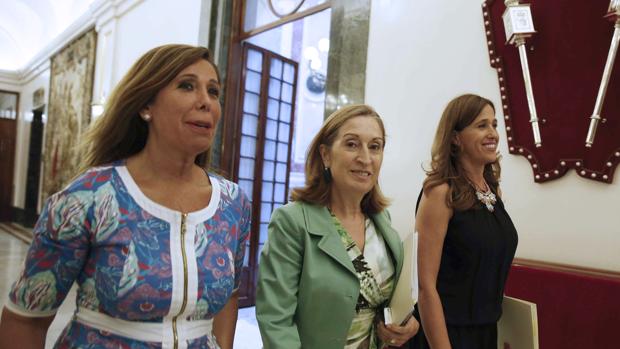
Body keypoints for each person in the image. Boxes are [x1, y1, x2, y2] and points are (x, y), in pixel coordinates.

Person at [0, 44, 251, 349]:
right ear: (146, 106)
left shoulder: (232, 204)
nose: (206, 102)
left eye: (214, 92)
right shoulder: (88, 198)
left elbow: (230, 296)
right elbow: (26, 320)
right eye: (187, 86)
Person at [256, 104, 419, 349]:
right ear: (325, 154)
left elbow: (383, 304)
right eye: (352, 144)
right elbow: (275, 321)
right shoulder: (292, 222)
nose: (365, 158)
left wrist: (406, 323)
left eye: (374, 146)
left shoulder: (380, 220)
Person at [409, 94, 518, 349]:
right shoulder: (440, 193)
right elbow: (425, 287)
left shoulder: (492, 191)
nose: (492, 133)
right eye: (482, 125)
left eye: (494, 124)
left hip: (486, 334)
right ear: (456, 138)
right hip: (444, 335)